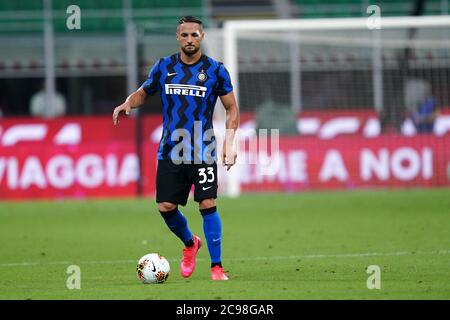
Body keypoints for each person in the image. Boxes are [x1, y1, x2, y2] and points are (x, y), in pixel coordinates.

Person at [112, 16, 239, 281]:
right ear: (177, 37)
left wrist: (230, 141)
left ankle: (216, 267)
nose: (190, 40)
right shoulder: (164, 67)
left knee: (208, 203)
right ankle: (190, 243)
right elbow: (144, 92)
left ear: (202, 36)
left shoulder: (216, 70)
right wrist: (128, 103)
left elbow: (231, 107)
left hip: (203, 148)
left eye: (194, 35)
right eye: (185, 35)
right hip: (172, 149)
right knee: (166, 206)